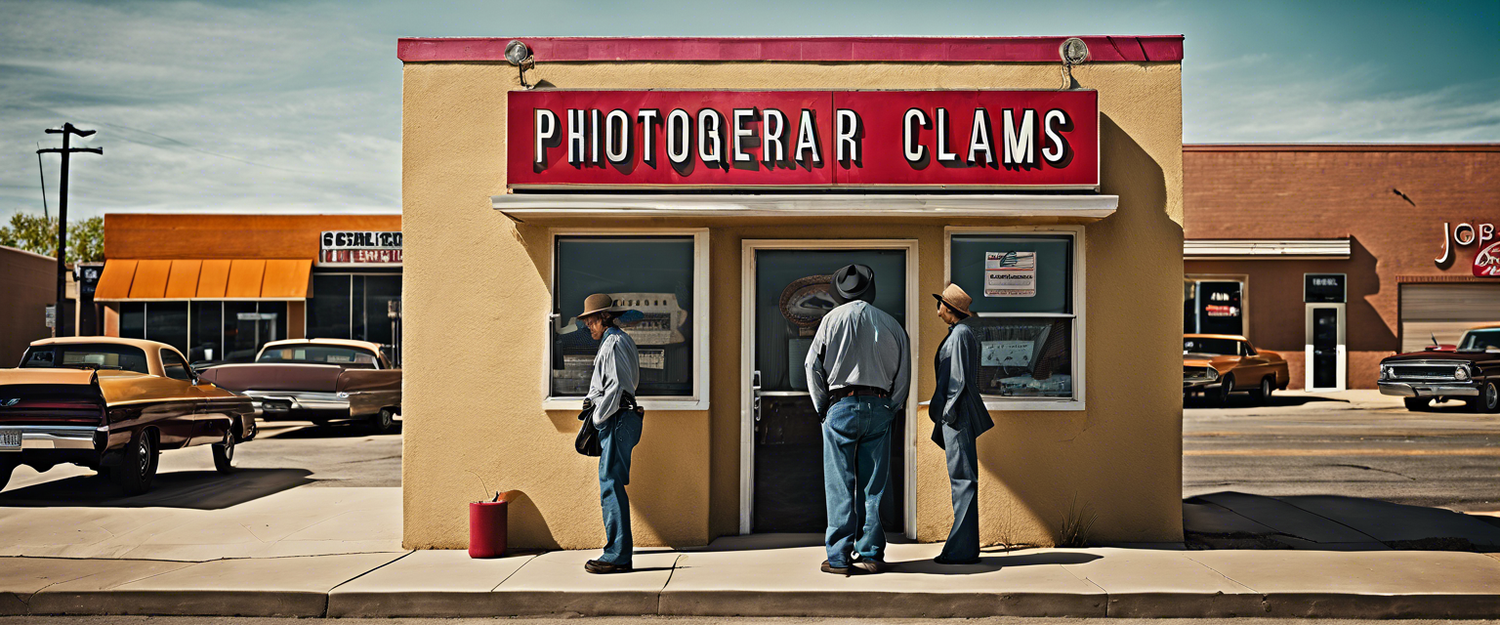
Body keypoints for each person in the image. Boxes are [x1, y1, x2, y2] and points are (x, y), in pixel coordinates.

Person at [805, 264, 910, 575]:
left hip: (841, 403)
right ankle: (870, 553)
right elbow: (904, 371)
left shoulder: (830, 320)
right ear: (870, 291)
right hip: (879, 405)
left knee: (839, 483)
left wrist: (823, 407)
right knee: (873, 485)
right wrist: (893, 406)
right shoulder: (891, 324)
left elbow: (812, 366)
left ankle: (838, 556)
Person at [929, 283, 994, 565]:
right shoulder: (958, 333)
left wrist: (948, 414)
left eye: (941, 302)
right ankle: (962, 547)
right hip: (957, 415)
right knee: (962, 480)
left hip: (958, 416)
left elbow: (959, 381)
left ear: (950, 308)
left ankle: (962, 550)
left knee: (964, 481)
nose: (938, 307)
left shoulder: (960, 335)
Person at [578, 292, 641, 574]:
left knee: (610, 485)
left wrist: (599, 418)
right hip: (621, 418)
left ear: (604, 318)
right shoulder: (618, 340)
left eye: (591, 320)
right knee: (611, 483)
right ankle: (617, 552)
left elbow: (616, 389)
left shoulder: (613, 343)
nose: (588, 326)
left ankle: (617, 555)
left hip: (616, 418)